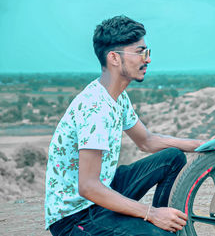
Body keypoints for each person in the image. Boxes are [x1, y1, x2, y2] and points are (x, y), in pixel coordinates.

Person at [44, 15, 204, 236]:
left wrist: (200, 145)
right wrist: (150, 213)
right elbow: (88, 186)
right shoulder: (95, 109)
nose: (147, 59)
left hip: (103, 192)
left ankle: (168, 225)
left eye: (147, 52)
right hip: (76, 217)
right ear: (114, 58)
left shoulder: (116, 97)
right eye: (140, 52)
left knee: (173, 157)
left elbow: (146, 141)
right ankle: (158, 225)